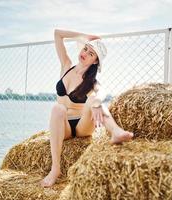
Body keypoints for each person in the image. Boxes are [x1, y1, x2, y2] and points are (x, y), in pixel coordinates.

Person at [40, 29, 134, 187]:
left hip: (82, 126)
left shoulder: (91, 82)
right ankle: (55, 169)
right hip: (65, 127)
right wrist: (83, 36)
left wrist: (96, 101)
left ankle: (116, 131)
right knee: (58, 108)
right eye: (85, 49)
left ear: (95, 61)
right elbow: (58, 34)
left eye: (91, 53)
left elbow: (102, 92)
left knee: (93, 100)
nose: (85, 53)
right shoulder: (66, 66)